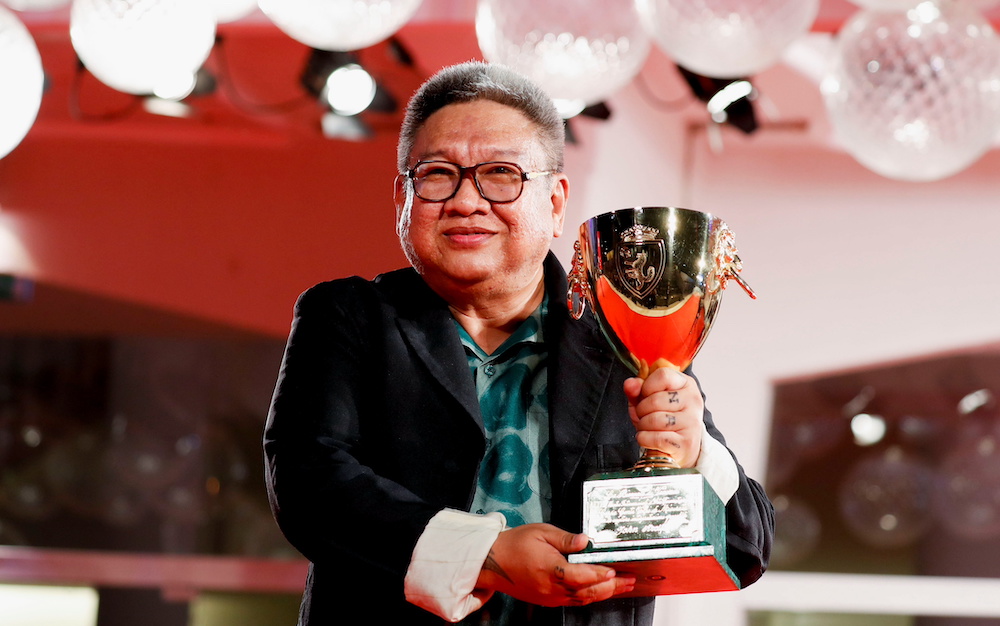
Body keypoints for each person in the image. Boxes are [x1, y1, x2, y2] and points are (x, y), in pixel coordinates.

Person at [263, 61, 773, 626]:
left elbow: (747, 546)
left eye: (501, 174)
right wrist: (486, 555)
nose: (465, 201)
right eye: (437, 174)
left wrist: (693, 453)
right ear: (403, 199)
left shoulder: (624, 333)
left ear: (555, 203)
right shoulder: (348, 316)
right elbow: (309, 483)